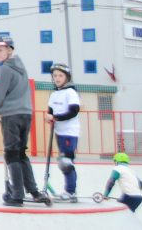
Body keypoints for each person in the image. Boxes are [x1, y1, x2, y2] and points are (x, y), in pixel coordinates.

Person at [0, 35, 51, 207]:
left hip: (11, 115)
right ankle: (34, 191)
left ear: (10, 50)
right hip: (26, 113)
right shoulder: (21, 67)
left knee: (11, 154)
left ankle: (17, 195)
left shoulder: (6, 69)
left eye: (0, 50)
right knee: (21, 153)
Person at [46, 62, 80, 202]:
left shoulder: (71, 92)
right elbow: (50, 112)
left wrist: (56, 118)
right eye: (55, 76)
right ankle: (69, 190)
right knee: (63, 161)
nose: (57, 78)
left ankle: (71, 192)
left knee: (66, 162)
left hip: (69, 132)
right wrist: (49, 117)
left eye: (60, 75)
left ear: (67, 77)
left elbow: (74, 111)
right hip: (59, 132)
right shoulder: (53, 95)